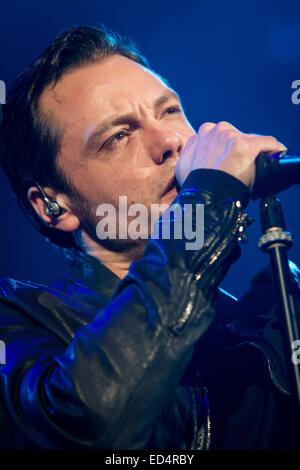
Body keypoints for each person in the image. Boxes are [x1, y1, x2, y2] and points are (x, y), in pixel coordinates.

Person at [0, 24, 299, 450]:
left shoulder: (269, 318)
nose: (171, 142)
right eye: (118, 136)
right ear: (53, 205)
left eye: (170, 111)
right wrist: (207, 205)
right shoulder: (18, 323)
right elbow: (88, 422)